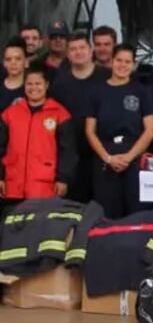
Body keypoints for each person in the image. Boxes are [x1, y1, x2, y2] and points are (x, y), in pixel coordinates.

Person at [85, 44, 153, 217]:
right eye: (119, 60)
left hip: (133, 157)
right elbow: (89, 131)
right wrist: (108, 158)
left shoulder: (141, 91)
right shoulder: (96, 91)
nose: (122, 65)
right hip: (105, 157)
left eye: (127, 62)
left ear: (133, 65)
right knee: (107, 213)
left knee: (136, 213)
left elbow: (150, 131)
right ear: (112, 61)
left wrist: (128, 158)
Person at [0, 64, 76, 202]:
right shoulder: (10, 113)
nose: (33, 88)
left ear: (46, 85)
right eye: (29, 83)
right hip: (12, 187)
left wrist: (63, 178)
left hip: (45, 188)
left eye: (38, 83)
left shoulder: (60, 114)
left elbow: (68, 151)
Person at [49, 31, 110, 203]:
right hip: (72, 158)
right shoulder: (60, 84)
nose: (78, 52)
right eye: (73, 49)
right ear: (68, 55)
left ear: (91, 51)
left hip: (104, 155)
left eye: (82, 47)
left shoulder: (107, 78)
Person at [1, 38, 27, 111]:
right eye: (8, 59)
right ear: (4, 63)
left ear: (26, 62)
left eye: (18, 59)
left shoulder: (32, 88)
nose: (13, 63)